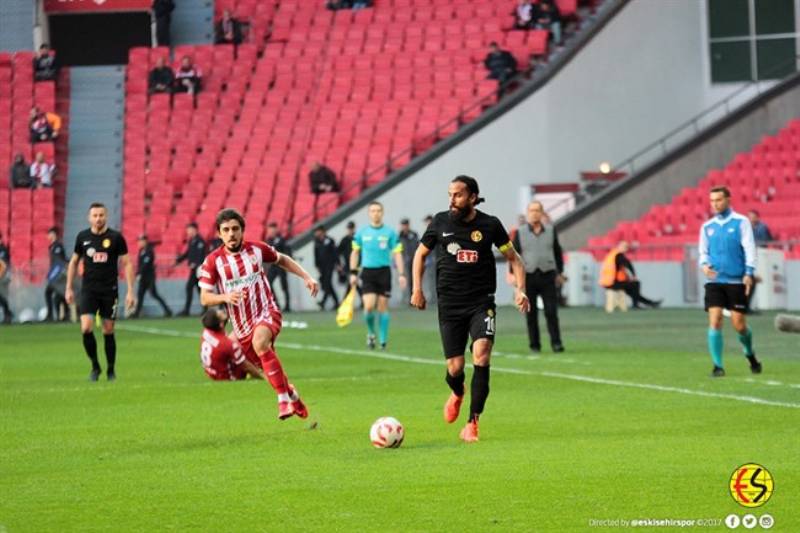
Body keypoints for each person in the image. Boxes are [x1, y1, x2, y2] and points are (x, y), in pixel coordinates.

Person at [411, 176, 529, 443]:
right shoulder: (440, 222)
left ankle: (472, 423)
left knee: (482, 353)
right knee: (455, 368)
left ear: (473, 197)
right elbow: (420, 254)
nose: (452, 200)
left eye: (458, 195)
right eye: (450, 195)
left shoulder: (490, 225)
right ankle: (457, 391)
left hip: (481, 303)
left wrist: (520, 290)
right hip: (450, 304)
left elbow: (515, 259)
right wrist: (417, 289)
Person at [198, 208, 319, 420]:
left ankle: (283, 400)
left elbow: (282, 259)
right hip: (242, 326)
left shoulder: (257, 249)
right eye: (226, 230)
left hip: (266, 311)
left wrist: (306, 277)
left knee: (260, 342)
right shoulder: (213, 261)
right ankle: (293, 396)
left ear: (242, 230)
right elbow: (205, 298)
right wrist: (225, 297)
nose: (231, 234)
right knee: (267, 365)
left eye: (235, 228)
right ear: (219, 233)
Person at [65, 203, 135, 381]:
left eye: (101, 215)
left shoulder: (116, 238)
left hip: (109, 290)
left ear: (106, 216)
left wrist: (130, 291)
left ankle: (111, 370)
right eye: (95, 215)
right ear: (89, 218)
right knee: (86, 327)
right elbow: (73, 262)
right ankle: (95, 367)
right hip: (88, 290)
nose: (98, 218)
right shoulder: (82, 237)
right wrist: (69, 287)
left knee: (108, 329)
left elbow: (127, 263)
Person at [699, 186, 762, 377]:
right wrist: (704, 265)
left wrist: (749, 272)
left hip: (736, 281)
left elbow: (749, 248)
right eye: (712, 201)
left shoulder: (741, 222)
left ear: (728, 199)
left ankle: (749, 353)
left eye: (718, 200)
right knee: (715, 320)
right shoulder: (707, 227)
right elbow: (703, 252)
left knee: (739, 325)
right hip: (715, 281)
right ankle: (718, 366)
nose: (715, 204)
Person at [349, 202, 407, 350]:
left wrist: (401, 274)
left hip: (384, 272)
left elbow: (397, 254)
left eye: (378, 210)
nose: (376, 213)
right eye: (373, 211)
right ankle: (370, 333)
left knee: (382, 307)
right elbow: (355, 253)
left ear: (382, 212)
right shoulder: (361, 233)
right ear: (369, 213)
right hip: (368, 272)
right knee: (368, 306)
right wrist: (353, 273)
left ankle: (383, 340)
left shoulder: (390, 233)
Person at [512, 200, 565, 353]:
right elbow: (514, 255)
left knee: (551, 311)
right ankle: (534, 344)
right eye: (531, 211)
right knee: (531, 313)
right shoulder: (520, 232)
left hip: (548, 275)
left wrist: (560, 272)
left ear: (542, 213)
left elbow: (557, 252)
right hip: (528, 276)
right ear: (528, 213)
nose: (534, 213)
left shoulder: (551, 230)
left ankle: (556, 343)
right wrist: (513, 275)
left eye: (537, 210)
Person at [199, 309, 264, 381]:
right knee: (248, 340)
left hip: (211, 371)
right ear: (221, 324)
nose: (222, 311)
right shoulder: (227, 344)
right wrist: (263, 377)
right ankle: (263, 368)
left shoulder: (206, 332)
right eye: (220, 314)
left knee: (238, 335)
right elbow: (246, 367)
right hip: (229, 376)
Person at [599, 241, 662, 309]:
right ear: (621, 247)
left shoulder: (611, 254)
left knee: (633, 292)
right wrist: (634, 275)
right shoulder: (619, 255)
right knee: (636, 284)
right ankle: (637, 305)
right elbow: (628, 264)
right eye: (625, 247)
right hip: (612, 283)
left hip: (607, 282)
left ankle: (651, 303)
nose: (626, 249)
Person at [132, 235, 172, 318]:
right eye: (139, 241)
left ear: (145, 241)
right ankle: (136, 313)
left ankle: (168, 310)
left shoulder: (149, 251)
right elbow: (141, 264)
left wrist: (138, 273)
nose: (139, 243)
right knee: (140, 295)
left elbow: (145, 264)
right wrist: (139, 273)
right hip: (143, 277)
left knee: (154, 294)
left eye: (141, 241)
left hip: (149, 277)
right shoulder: (141, 251)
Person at [175, 222, 207, 316]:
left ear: (195, 229)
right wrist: (178, 260)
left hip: (199, 270)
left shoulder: (200, 241)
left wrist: (196, 264)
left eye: (189, 230)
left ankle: (189, 310)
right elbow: (187, 253)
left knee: (193, 288)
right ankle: (202, 309)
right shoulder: (191, 241)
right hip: (194, 270)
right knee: (196, 289)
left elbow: (201, 256)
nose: (188, 232)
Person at [265, 222, 292, 312]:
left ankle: (287, 305)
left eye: (273, 230)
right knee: (268, 283)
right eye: (270, 230)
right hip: (273, 265)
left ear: (276, 230)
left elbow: (287, 251)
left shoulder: (281, 240)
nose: (271, 232)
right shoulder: (268, 241)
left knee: (284, 285)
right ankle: (276, 304)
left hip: (281, 265)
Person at [45, 227, 69, 322]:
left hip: (58, 275)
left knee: (50, 293)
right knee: (58, 295)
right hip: (56, 274)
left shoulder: (57, 246)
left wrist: (53, 275)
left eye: (50, 234)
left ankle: (52, 315)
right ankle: (64, 315)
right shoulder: (52, 247)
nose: (48, 236)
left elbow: (59, 262)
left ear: (54, 235)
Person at [314, 225, 340, 310]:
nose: (316, 233)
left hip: (330, 266)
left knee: (327, 283)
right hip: (322, 267)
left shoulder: (330, 240)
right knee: (328, 285)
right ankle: (336, 302)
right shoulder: (317, 242)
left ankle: (323, 302)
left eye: (318, 231)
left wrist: (338, 263)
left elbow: (335, 253)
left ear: (322, 231)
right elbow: (316, 255)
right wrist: (317, 265)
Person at [398, 218, 419, 303]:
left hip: (413, 260)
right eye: (403, 225)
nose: (404, 227)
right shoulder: (399, 236)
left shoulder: (414, 234)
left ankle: (412, 298)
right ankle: (403, 298)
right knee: (403, 280)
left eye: (406, 225)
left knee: (412, 280)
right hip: (403, 261)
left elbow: (417, 246)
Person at [0, 232, 12, 324]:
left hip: (3, 277)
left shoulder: (3, 250)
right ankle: (8, 314)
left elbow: (4, 266)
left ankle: (8, 315)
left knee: (3, 296)